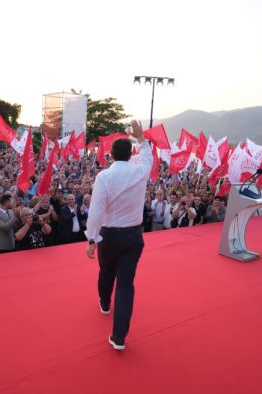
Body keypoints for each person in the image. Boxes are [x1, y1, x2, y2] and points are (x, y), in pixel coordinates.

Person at [85, 120, 153, 351]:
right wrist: (141, 138)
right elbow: (148, 158)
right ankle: (119, 336)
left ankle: (105, 304)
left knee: (106, 272)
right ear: (130, 154)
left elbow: (96, 211)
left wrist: (91, 239)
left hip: (109, 235)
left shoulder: (104, 177)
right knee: (126, 284)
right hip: (134, 236)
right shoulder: (140, 172)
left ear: (111, 155)